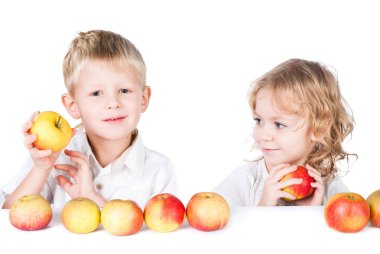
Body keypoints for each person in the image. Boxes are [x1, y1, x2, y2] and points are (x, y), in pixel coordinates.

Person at [1, 30, 176, 209]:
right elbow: (9, 216)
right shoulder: (55, 157)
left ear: (143, 99)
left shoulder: (159, 170)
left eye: (124, 90)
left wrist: (94, 200)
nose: (113, 103)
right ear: (73, 106)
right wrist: (41, 168)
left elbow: (158, 234)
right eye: (96, 93)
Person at [214, 58, 356, 206]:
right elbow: (214, 216)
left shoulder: (330, 189)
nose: (264, 135)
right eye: (259, 121)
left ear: (319, 129)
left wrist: (314, 213)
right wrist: (264, 206)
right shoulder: (245, 180)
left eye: (279, 124)